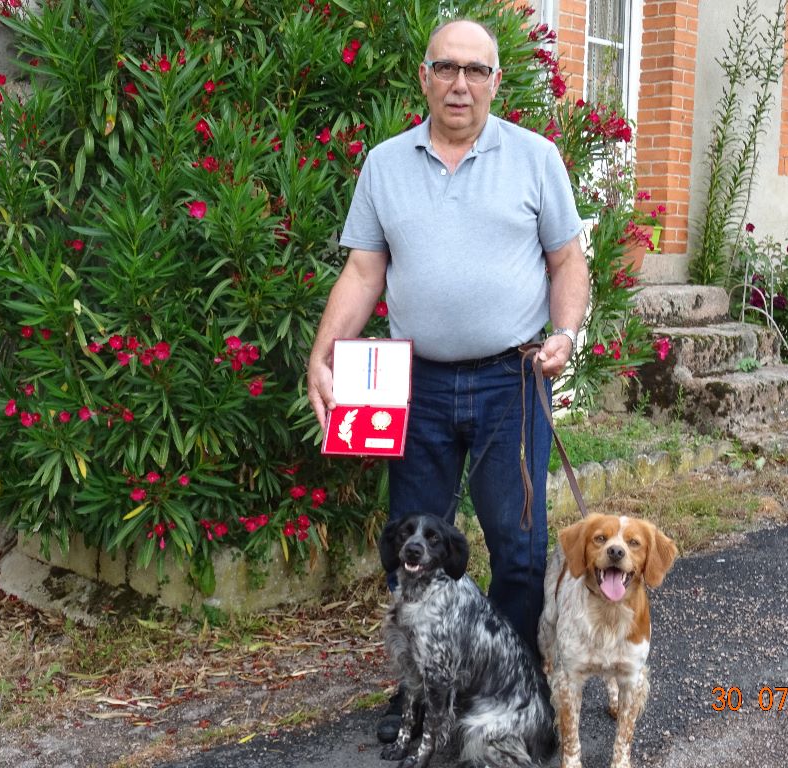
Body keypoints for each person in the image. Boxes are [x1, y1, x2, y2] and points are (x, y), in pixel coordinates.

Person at [306, 17, 590, 743]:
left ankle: (513, 696)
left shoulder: (535, 158)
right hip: (419, 385)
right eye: (446, 68)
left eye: (476, 70)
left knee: (519, 549)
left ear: (497, 80)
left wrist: (565, 335)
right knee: (412, 548)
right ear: (425, 76)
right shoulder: (385, 164)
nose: (460, 83)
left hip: (510, 380)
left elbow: (567, 261)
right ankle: (424, 696)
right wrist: (324, 352)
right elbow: (364, 270)